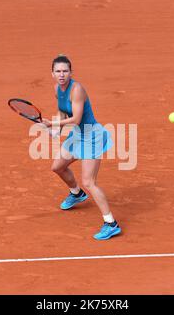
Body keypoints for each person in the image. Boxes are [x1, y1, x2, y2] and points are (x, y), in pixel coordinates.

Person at [41, 55, 121, 240]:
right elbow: (63, 110)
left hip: (92, 136)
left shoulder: (77, 90)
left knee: (90, 182)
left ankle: (111, 223)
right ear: (52, 73)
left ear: (71, 72)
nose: (62, 75)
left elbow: (76, 119)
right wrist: (57, 129)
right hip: (77, 135)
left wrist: (53, 124)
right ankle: (76, 194)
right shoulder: (57, 89)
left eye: (65, 71)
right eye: (58, 71)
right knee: (57, 167)